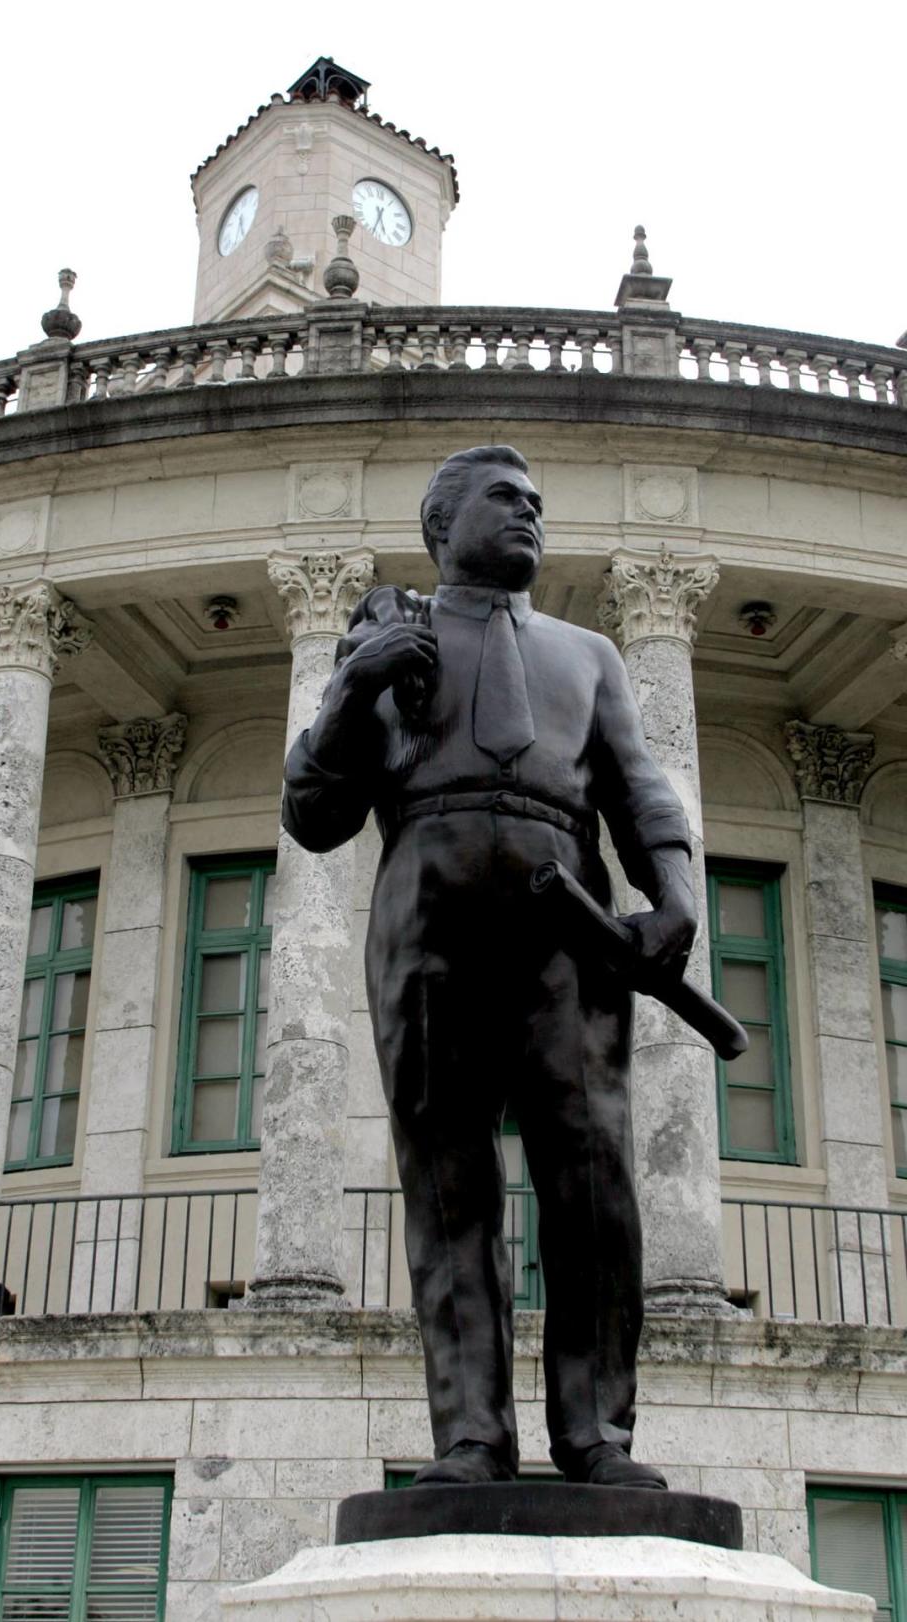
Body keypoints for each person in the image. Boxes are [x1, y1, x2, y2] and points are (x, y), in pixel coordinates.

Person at [282, 446, 697, 1489]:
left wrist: (676, 891)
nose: (530, 515)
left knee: (593, 1174)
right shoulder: (386, 640)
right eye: (504, 499)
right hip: (429, 916)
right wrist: (354, 687)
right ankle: (471, 1430)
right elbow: (314, 811)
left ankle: (597, 1429)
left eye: (539, 503)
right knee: (451, 1178)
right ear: (442, 521)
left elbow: (638, 785)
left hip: (570, 922)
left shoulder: (588, 652)